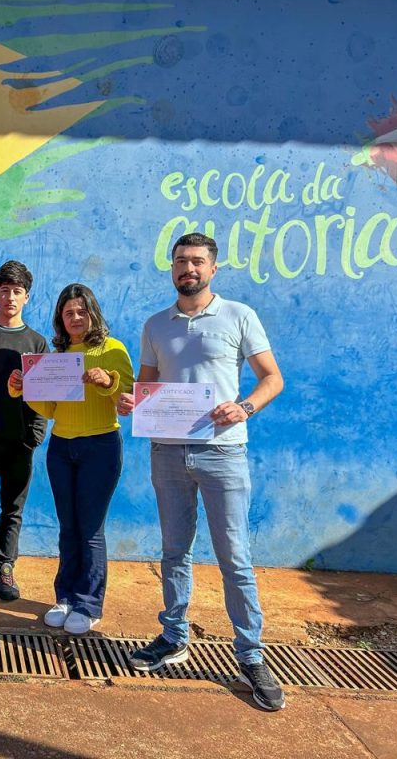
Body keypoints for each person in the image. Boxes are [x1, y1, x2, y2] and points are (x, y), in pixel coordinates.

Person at [118, 232, 286, 711]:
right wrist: (130, 400)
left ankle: (251, 655)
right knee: (174, 551)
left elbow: (272, 377)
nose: (187, 268)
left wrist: (245, 407)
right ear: (171, 269)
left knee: (234, 557)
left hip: (223, 453)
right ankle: (173, 635)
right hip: (167, 453)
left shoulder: (239, 316)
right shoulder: (156, 324)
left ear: (213, 268)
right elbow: (145, 388)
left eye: (196, 261)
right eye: (179, 261)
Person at [8, 283, 133, 634]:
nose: (76, 318)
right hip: (61, 448)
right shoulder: (55, 356)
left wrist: (108, 381)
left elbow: (127, 398)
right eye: (68, 313)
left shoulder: (112, 349)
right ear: (60, 320)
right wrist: (22, 388)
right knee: (68, 527)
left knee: (90, 529)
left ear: (92, 313)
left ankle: (89, 604)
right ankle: (64, 597)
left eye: (81, 311)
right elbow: (48, 409)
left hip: (101, 446)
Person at [0, 260, 48, 599]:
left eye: (17, 292)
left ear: (26, 297)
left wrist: (35, 434)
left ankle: (5, 565)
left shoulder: (37, 342)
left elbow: (44, 394)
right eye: (4, 292)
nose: (10, 298)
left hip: (20, 440)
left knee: (12, 506)